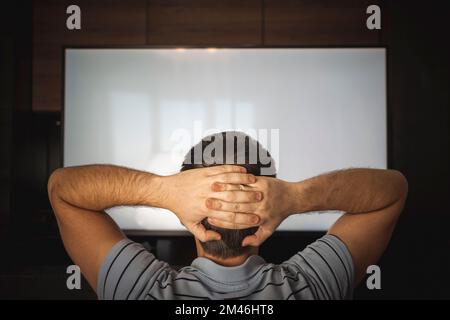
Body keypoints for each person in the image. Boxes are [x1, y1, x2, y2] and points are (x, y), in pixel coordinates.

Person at [47, 131, 408, 299]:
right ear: (265, 215)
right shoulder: (311, 286)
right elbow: (393, 191)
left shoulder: (139, 290)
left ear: (191, 218)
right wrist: (296, 197)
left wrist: (164, 190)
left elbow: (63, 189)